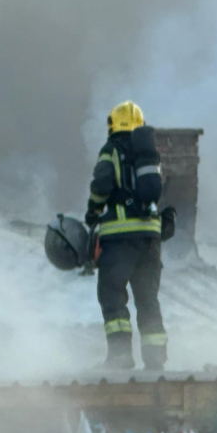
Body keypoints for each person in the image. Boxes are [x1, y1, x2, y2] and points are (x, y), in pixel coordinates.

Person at [86, 100, 168, 370]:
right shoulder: (148, 154)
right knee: (147, 299)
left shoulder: (111, 150)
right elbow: (155, 189)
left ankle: (120, 356)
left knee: (112, 295)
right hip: (150, 239)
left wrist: (93, 211)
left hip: (121, 240)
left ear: (112, 125)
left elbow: (101, 184)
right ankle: (155, 359)